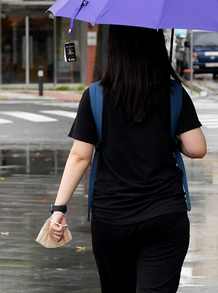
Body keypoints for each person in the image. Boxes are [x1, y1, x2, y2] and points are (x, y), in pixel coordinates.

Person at [48, 26, 207, 292]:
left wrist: (59, 210)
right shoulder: (174, 93)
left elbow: (79, 156)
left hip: (112, 218)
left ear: (114, 50)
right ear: (158, 47)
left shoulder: (95, 96)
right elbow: (197, 148)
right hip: (165, 215)